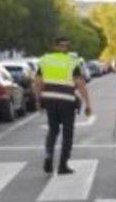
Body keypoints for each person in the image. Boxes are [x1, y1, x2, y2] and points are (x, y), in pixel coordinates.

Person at [34, 36, 93, 175]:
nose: (64, 48)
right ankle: (62, 165)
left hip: (50, 100)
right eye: (63, 46)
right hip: (67, 101)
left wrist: (38, 100)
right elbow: (80, 84)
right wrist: (88, 103)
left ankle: (49, 155)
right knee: (68, 133)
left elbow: (38, 82)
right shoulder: (72, 62)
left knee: (53, 130)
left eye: (66, 46)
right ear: (55, 46)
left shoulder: (45, 60)